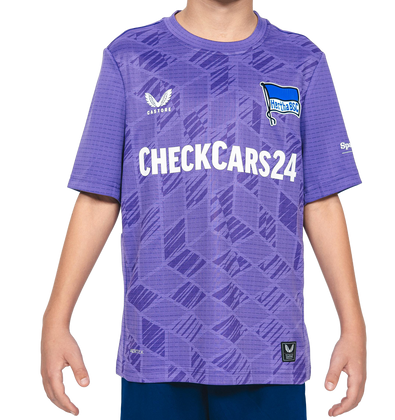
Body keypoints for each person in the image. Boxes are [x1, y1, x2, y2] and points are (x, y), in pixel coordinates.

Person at [38, 0, 370, 419]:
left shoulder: (301, 60)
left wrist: (353, 326)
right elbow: (97, 197)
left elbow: (321, 201)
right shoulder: (129, 56)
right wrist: (55, 320)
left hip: (266, 346)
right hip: (157, 344)